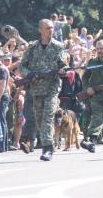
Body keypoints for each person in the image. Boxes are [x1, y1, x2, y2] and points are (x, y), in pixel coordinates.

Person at [20, 19, 68, 161]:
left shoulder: (58, 46)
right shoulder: (32, 47)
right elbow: (23, 65)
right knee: (39, 118)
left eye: (52, 28)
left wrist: (63, 71)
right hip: (36, 88)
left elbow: (63, 65)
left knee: (47, 117)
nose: (51, 30)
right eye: (47, 28)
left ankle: (48, 148)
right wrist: (28, 74)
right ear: (40, 30)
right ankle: (46, 142)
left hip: (52, 87)